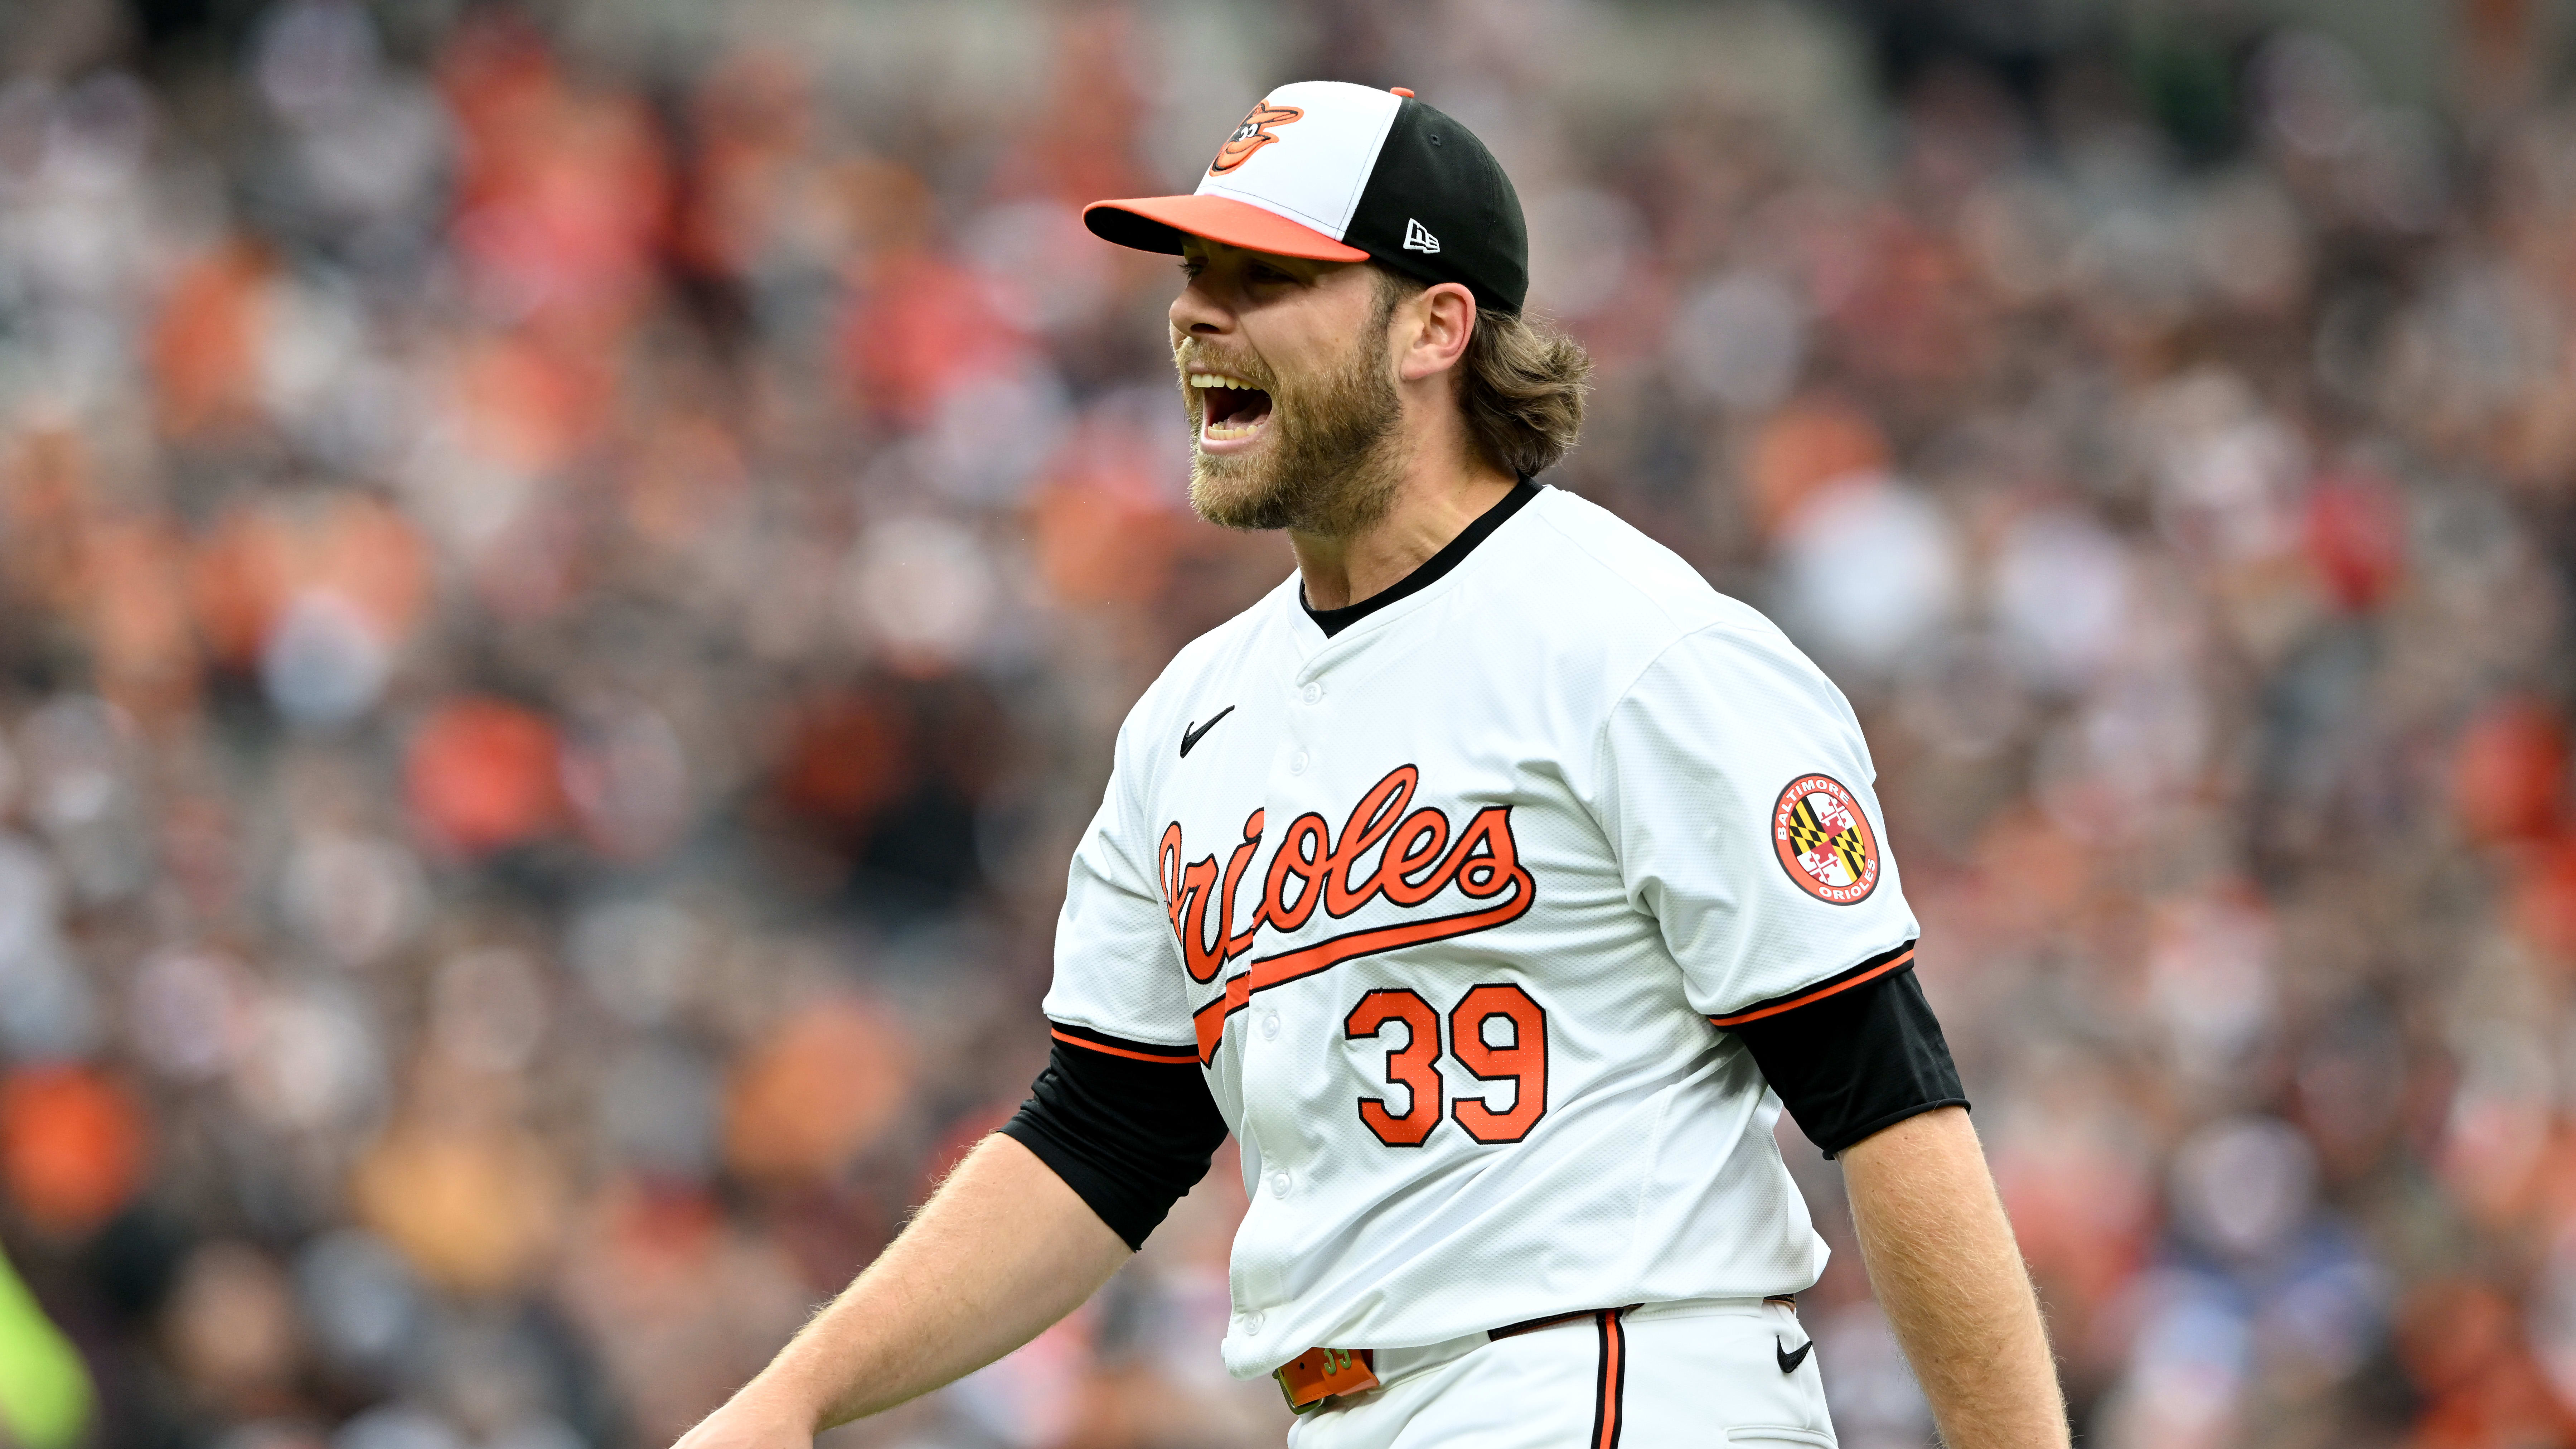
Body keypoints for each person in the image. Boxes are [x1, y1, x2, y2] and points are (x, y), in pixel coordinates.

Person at [678, 81, 2068, 1449]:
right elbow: (1100, 1134)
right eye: (1194, 268)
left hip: (1608, 1374)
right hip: (1345, 1406)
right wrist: (794, 1394)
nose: (1194, 310)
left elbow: (1885, 1097)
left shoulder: (1636, 649)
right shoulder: (1188, 721)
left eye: (1264, 274)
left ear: (1434, 326)